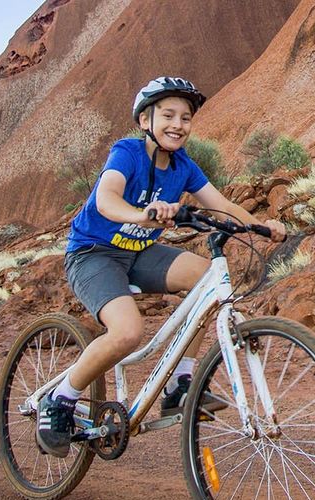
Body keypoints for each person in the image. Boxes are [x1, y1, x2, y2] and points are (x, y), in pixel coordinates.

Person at [37, 76, 287, 458]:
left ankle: (179, 385)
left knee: (208, 282)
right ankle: (60, 399)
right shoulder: (127, 153)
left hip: (139, 253)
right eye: (167, 115)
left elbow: (220, 205)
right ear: (145, 121)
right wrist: (143, 214)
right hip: (94, 253)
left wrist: (261, 224)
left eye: (185, 118)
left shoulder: (184, 166)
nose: (178, 124)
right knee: (126, 333)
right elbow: (105, 200)